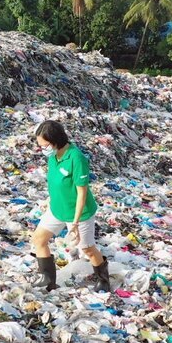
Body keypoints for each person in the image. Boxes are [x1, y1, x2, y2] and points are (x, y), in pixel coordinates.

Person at [31, 120, 110, 292]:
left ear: (56, 141)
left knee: (87, 249)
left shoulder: (76, 158)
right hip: (57, 209)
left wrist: (74, 223)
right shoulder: (53, 156)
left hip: (78, 213)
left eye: (45, 145)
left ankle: (103, 280)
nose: (42, 149)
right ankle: (48, 280)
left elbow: (82, 193)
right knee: (39, 239)